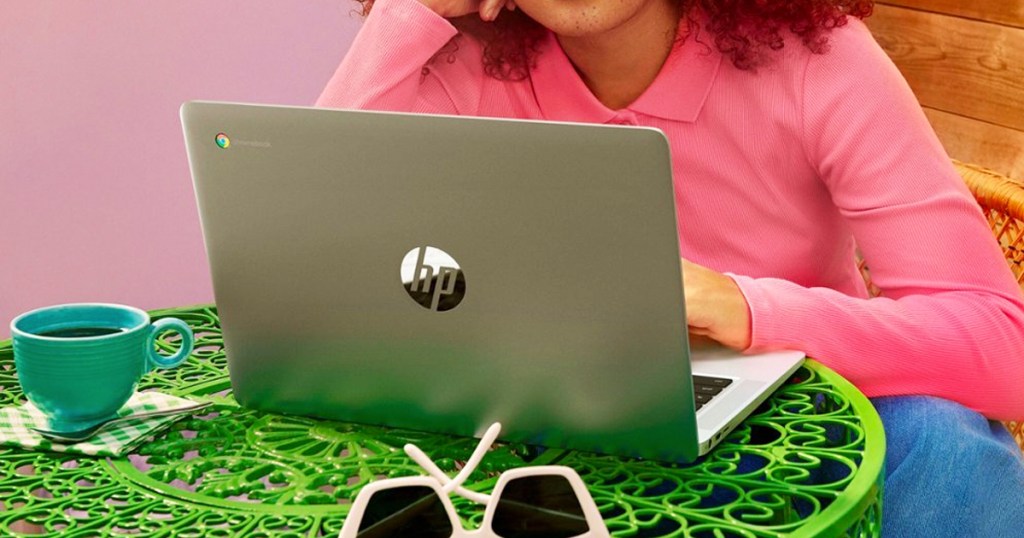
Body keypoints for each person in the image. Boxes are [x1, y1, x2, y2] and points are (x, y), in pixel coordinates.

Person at [316, 0, 1024, 534]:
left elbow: (1002, 343)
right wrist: (409, 11)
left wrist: (750, 311)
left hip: (799, 433)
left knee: (943, 444)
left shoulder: (819, 60)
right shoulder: (470, 66)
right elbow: (314, 246)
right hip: (562, 441)